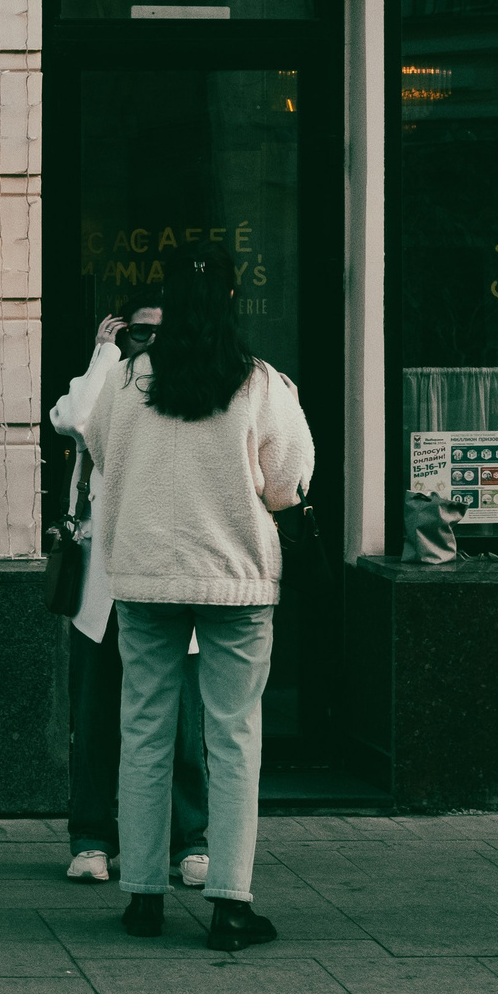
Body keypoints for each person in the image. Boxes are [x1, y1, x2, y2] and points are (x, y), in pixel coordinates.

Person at [74, 255, 314, 952]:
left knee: (142, 731)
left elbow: (97, 446)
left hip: (145, 576)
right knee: (233, 736)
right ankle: (230, 904)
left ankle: (142, 896)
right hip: (235, 579)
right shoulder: (260, 383)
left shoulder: (130, 380)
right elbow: (288, 480)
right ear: (233, 301)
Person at [47, 301, 210, 891]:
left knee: (183, 721)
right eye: (142, 330)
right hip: (106, 585)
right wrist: (106, 354)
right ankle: (92, 837)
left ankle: (189, 839)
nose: (153, 342)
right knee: (95, 717)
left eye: (166, 331)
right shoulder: (108, 380)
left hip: (170, 573)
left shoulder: (193, 386)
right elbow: (76, 421)